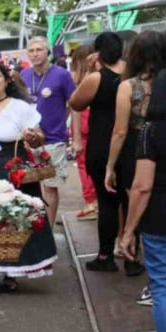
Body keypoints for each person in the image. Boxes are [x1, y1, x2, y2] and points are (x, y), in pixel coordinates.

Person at [0, 58, 56, 288]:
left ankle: (11, 271)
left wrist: (33, 136)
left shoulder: (20, 107)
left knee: (14, 218)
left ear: (7, 80)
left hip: (12, 164)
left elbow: (40, 135)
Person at [120, 67, 166, 332]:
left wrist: (128, 231)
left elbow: (141, 187)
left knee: (164, 287)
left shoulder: (151, 132)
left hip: (160, 219)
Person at [105, 32, 166, 278]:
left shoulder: (128, 86)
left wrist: (110, 166)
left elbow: (120, 130)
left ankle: (134, 255)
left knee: (137, 201)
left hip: (136, 148)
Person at [70, 33, 128, 273]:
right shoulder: (131, 73)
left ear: (98, 52)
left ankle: (105, 255)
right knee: (128, 198)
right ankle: (131, 252)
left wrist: (92, 70)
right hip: (129, 142)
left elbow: (75, 103)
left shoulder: (97, 78)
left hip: (102, 142)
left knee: (106, 202)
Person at [20, 36, 78, 228]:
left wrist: (74, 136)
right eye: (31, 50)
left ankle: (49, 230)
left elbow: (74, 105)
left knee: (50, 186)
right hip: (28, 140)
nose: (35, 54)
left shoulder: (61, 75)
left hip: (53, 139)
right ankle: (33, 226)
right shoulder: (23, 75)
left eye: (39, 49)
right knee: (29, 187)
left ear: (47, 52)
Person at [69, 44, 98, 221]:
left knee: (83, 165)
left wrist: (76, 137)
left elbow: (75, 108)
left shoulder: (82, 81)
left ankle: (91, 203)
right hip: (96, 127)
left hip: (84, 127)